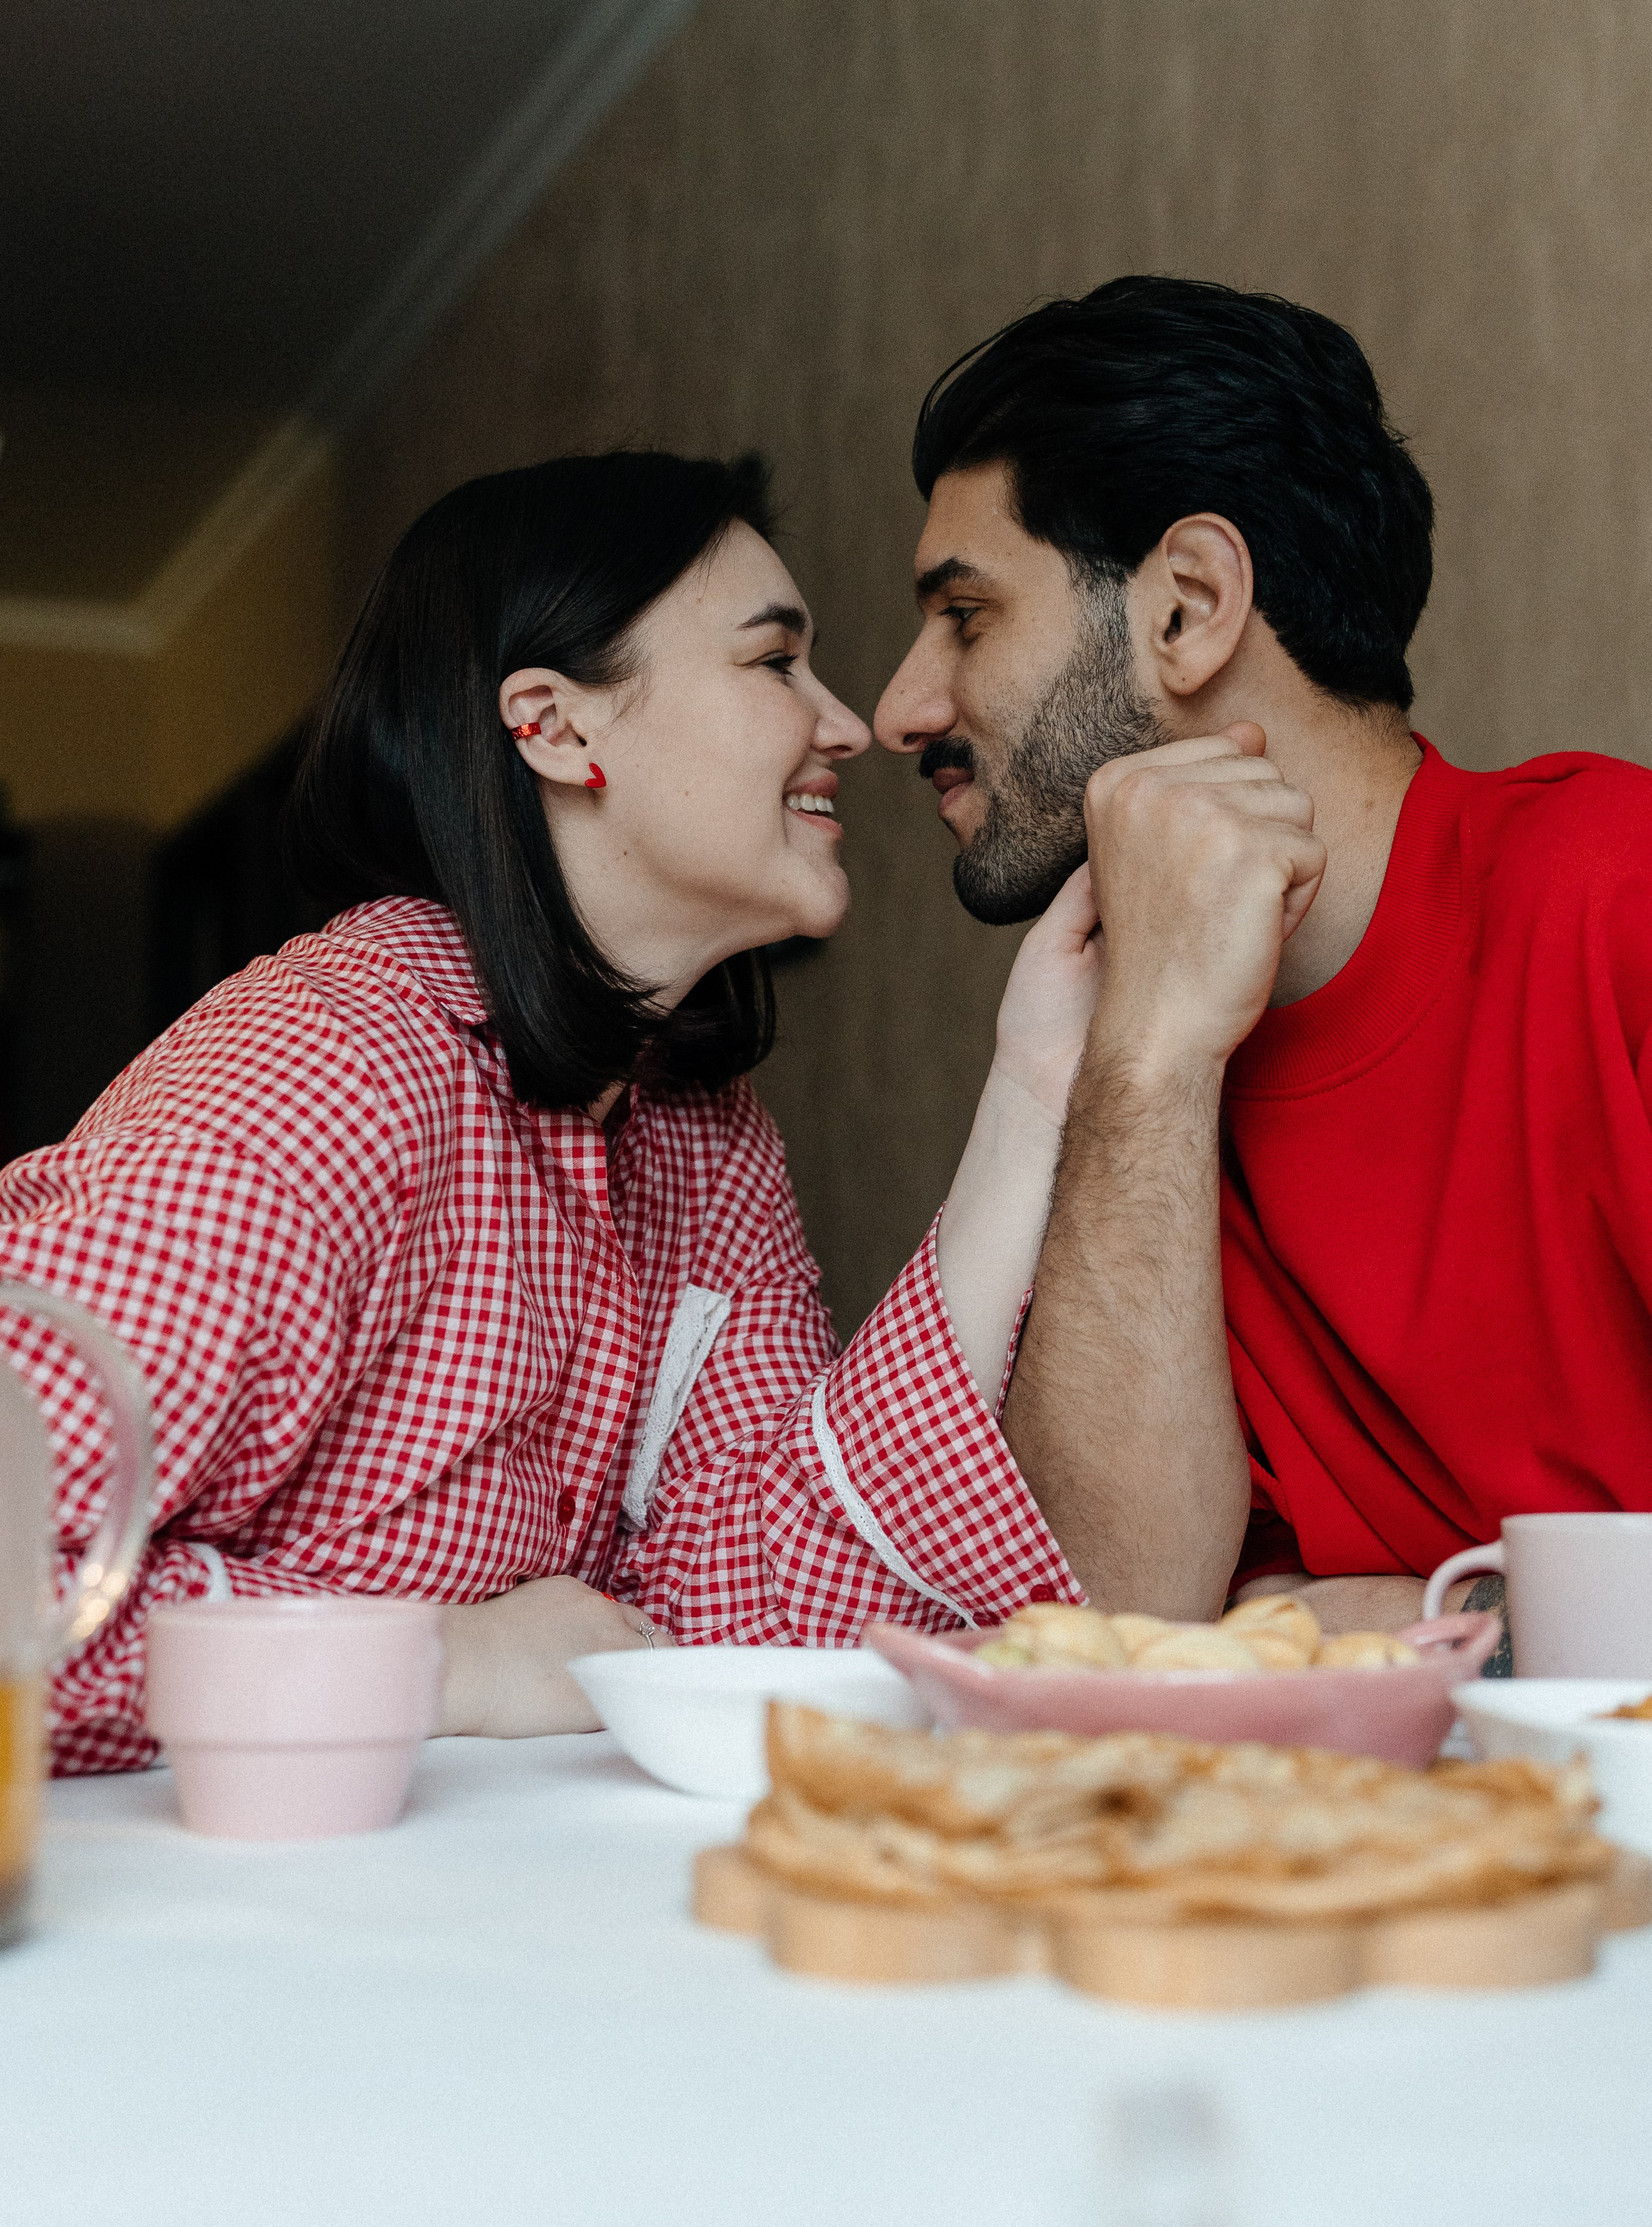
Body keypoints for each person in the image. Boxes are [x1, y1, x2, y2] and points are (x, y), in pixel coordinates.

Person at [2, 451, 1087, 1775]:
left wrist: (1031, 1091)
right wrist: (438, 1663)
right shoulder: (320, 1081)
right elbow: (12, 1592)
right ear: (555, 729)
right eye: (771, 663)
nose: (848, 724)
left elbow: (761, 1623)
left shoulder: (703, 1142)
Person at [874, 272, 1652, 1642]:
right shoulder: (1136, 1060)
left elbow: (1258, 1648)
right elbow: (1122, 1628)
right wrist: (1154, 1056)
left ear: (1186, 605)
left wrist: (1387, 1619)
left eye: (966, 615)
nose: (898, 707)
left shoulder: (1614, 892)